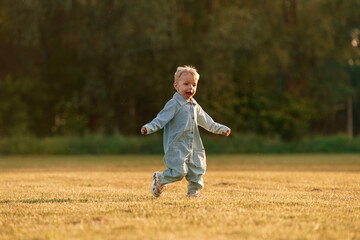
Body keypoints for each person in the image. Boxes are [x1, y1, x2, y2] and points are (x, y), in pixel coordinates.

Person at [141, 65, 230, 198]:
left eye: (194, 85)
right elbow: (160, 119)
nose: (191, 88)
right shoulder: (173, 104)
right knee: (178, 171)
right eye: (186, 84)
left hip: (193, 146)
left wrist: (222, 129)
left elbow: (207, 122)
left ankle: (193, 192)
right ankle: (160, 178)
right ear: (176, 86)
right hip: (177, 146)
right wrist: (148, 128)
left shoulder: (195, 105)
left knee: (196, 170)